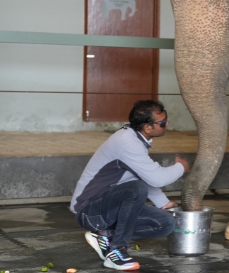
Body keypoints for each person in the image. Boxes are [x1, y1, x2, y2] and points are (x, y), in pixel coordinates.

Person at [70, 100, 190, 271]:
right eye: (163, 123)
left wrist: (163, 203)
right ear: (148, 128)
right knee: (136, 189)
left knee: (165, 223)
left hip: (106, 208)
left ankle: (105, 236)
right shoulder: (127, 143)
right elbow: (156, 178)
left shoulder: (136, 138)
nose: (167, 124)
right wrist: (181, 167)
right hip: (89, 211)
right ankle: (117, 252)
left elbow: (143, 174)